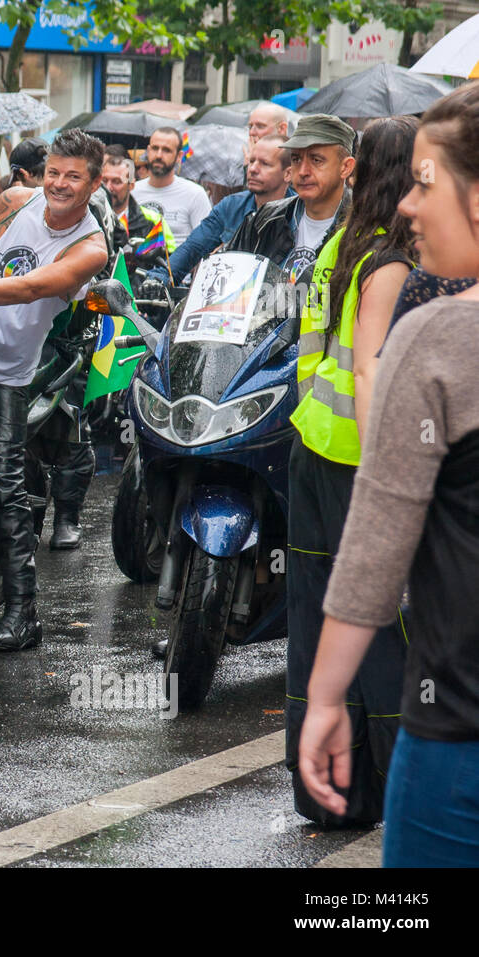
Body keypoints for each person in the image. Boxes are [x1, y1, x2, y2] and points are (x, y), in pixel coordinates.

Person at [298, 83, 479, 866]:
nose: (408, 205)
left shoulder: (438, 339)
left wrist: (327, 696)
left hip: (455, 745)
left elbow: (376, 547)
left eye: (426, 182)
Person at [284, 116, 416, 827]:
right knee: (383, 633)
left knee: (320, 625)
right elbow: (369, 368)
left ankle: (331, 794)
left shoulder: (343, 242)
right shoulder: (390, 260)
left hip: (315, 452)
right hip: (356, 463)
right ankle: (396, 791)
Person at [0, 129, 110, 648]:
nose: (59, 184)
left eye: (72, 176)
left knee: (6, 482)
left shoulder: (89, 247)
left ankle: (23, 614)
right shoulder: (19, 201)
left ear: (93, 183)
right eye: (53, 172)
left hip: (5, 367)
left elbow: (37, 285)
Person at [144, 134, 292, 288]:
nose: (253, 169)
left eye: (265, 164)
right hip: (227, 303)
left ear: (288, 173)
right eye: (252, 161)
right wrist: (159, 278)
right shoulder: (231, 206)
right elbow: (192, 248)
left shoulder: (298, 212)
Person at [226, 114, 355, 284]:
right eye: (296, 159)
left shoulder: (362, 228)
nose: (303, 171)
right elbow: (228, 282)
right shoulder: (266, 219)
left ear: (345, 167)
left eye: (316, 160)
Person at [131, 127, 211, 248]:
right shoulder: (132, 192)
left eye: (166, 150)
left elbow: (205, 244)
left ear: (179, 156)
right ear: (148, 151)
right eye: (155, 148)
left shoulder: (195, 194)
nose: (159, 155)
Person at [99, 150, 173, 274]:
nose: (108, 188)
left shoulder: (152, 220)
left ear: (131, 185)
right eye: (104, 181)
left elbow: (167, 264)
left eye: (116, 182)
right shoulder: (91, 215)